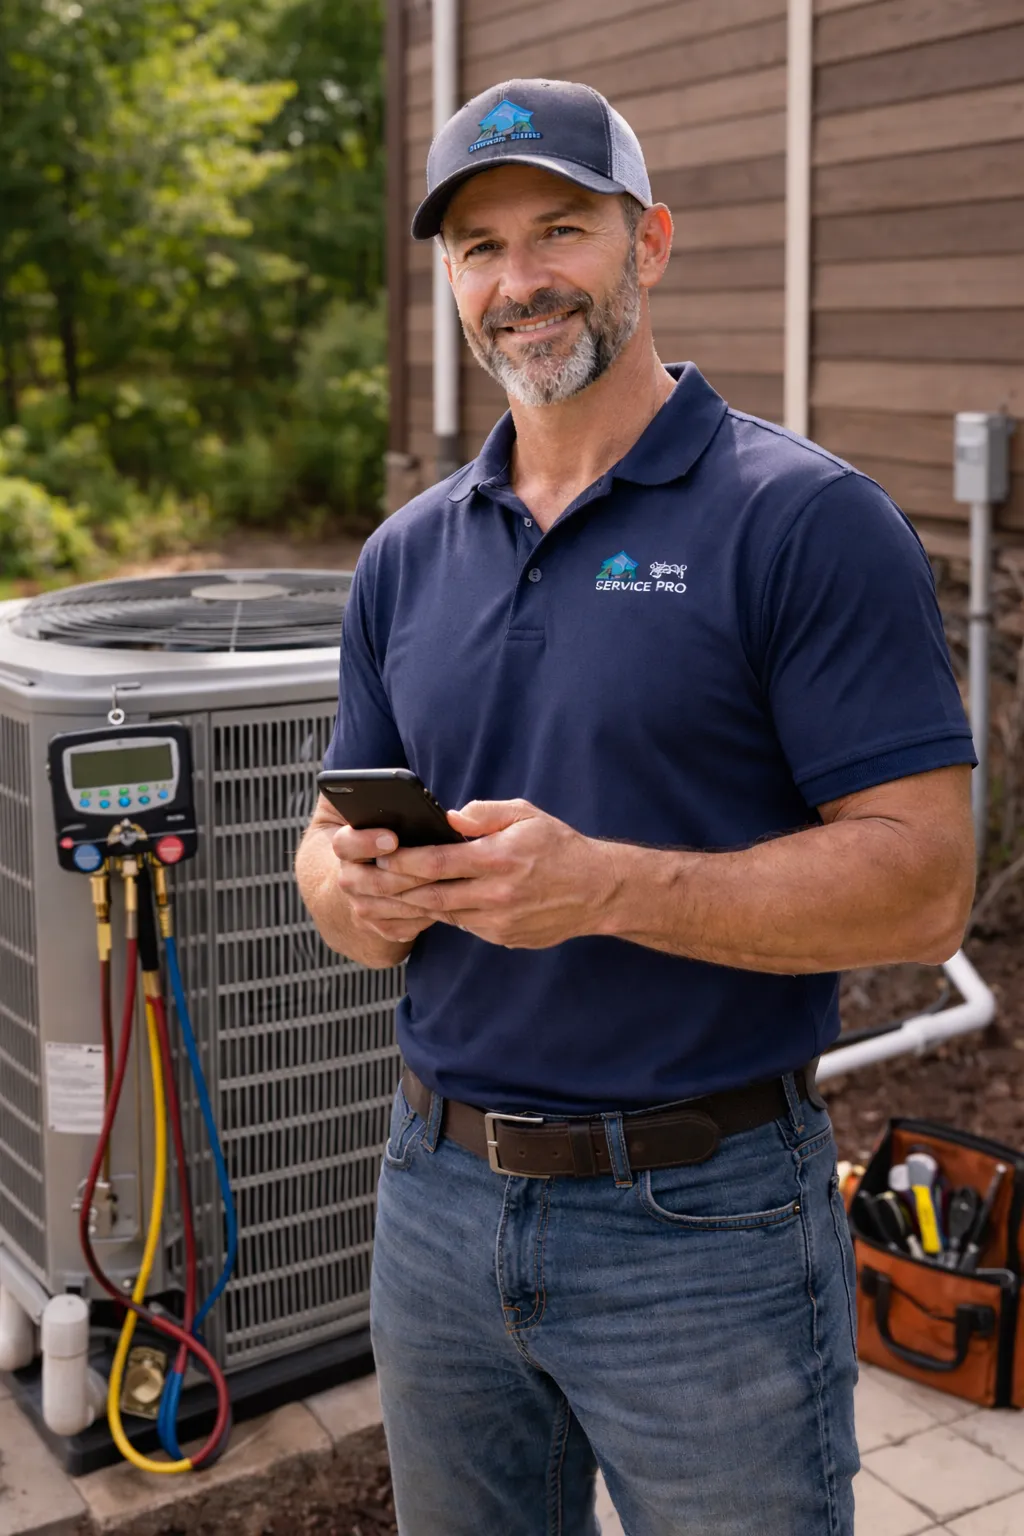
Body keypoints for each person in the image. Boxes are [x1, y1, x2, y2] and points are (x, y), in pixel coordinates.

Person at [296, 77, 977, 1536]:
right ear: (448, 282)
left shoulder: (803, 522)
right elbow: (325, 853)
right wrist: (352, 893)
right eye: (478, 248)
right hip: (435, 1198)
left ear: (650, 243)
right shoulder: (406, 556)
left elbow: (925, 884)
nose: (519, 279)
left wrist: (606, 886)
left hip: (705, 1222)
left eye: (561, 230)